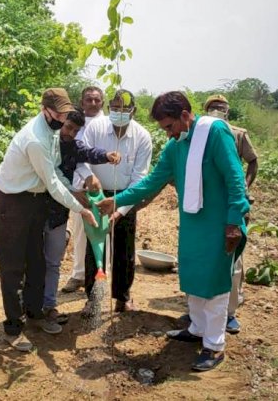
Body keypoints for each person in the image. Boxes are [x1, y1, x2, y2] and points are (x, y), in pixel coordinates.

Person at [97, 91, 249, 372]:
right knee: (193, 275)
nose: (167, 134)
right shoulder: (175, 147)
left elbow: (235, 177)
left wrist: (233, 221)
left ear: (185, 115)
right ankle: (197, 328)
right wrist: (117, 200)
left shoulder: (214, 133)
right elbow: (152, 182)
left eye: (169, 126)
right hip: (193, 223)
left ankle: (214, 346)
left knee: (214, 283)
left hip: (219, 223)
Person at [0, 88, 97, 352]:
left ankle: (35, 314)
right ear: (46, 110)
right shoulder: (35, 139)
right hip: (12, 203)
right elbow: (52, 183)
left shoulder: (50, 133)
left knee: (37, 263)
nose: (64, 120)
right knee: (14, 267)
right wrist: (79, 208)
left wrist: (74, 192)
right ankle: (13, 328)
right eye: (60, 114)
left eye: (66, 114)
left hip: (35, 201)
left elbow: (57, 175)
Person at [76, 89, 152, 313]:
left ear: (133, 111)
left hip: (126, 195)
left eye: (124, 108)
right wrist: (90, 178)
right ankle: (93, 299)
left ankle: (122, 297)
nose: (119, 112)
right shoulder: (95, 128)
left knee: (124, 248)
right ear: (109, 109)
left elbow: (140, 178)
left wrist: (120, 209)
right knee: (95, 247)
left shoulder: (142, 137)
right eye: (115, 108)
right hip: (97, 195)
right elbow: (81, 158)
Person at [43, 108, 120, 324]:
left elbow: (89, 153)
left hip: (58, 212)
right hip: (37, 209)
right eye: (68, 127)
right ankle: (31, 305)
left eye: (76, 130)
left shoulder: (73, 145)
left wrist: (107, 156)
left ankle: (49, 305)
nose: (70, 133)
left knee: (53, 262)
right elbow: (51, 174)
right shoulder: (46, 143)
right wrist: (73, 192)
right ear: (60, 122)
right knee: (35, 261)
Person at [204, 94, 258, 334]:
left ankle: (230, 313)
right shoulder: (198, 134)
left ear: (228, 111)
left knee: (232, 259)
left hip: (233, 204)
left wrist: (245, 187)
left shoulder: (237, 133)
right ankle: (201, 310)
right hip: (206, 204)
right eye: (213, 107)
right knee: (205, 256)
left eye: (221, 107)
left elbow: (252, 161)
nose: (217, 110)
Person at [62, 86, 108, 293]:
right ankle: (78, 275)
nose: (93, 103)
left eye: (97, 100)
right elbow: (79, 156)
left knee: (103, 233)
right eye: (88, 100)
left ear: (102, 103)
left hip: (106, 187)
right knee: (81, 233)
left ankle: (101, 276)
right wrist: (86, 178)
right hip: (80, 187)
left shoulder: (107, 124)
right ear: (82, 102)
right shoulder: (75, 124)